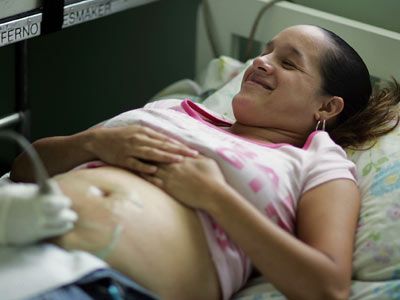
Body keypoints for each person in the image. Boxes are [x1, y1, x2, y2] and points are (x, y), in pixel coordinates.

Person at [10, 25, 400, 300]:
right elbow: (23, 170)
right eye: (266, 52)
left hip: (98, 283)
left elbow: (327, 287)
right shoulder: (173, 110)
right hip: (13, 235)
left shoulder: (316, 161)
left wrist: (214, 196)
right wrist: (95, 142)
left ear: (327, 106)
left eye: (289, 63)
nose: (261, 62)